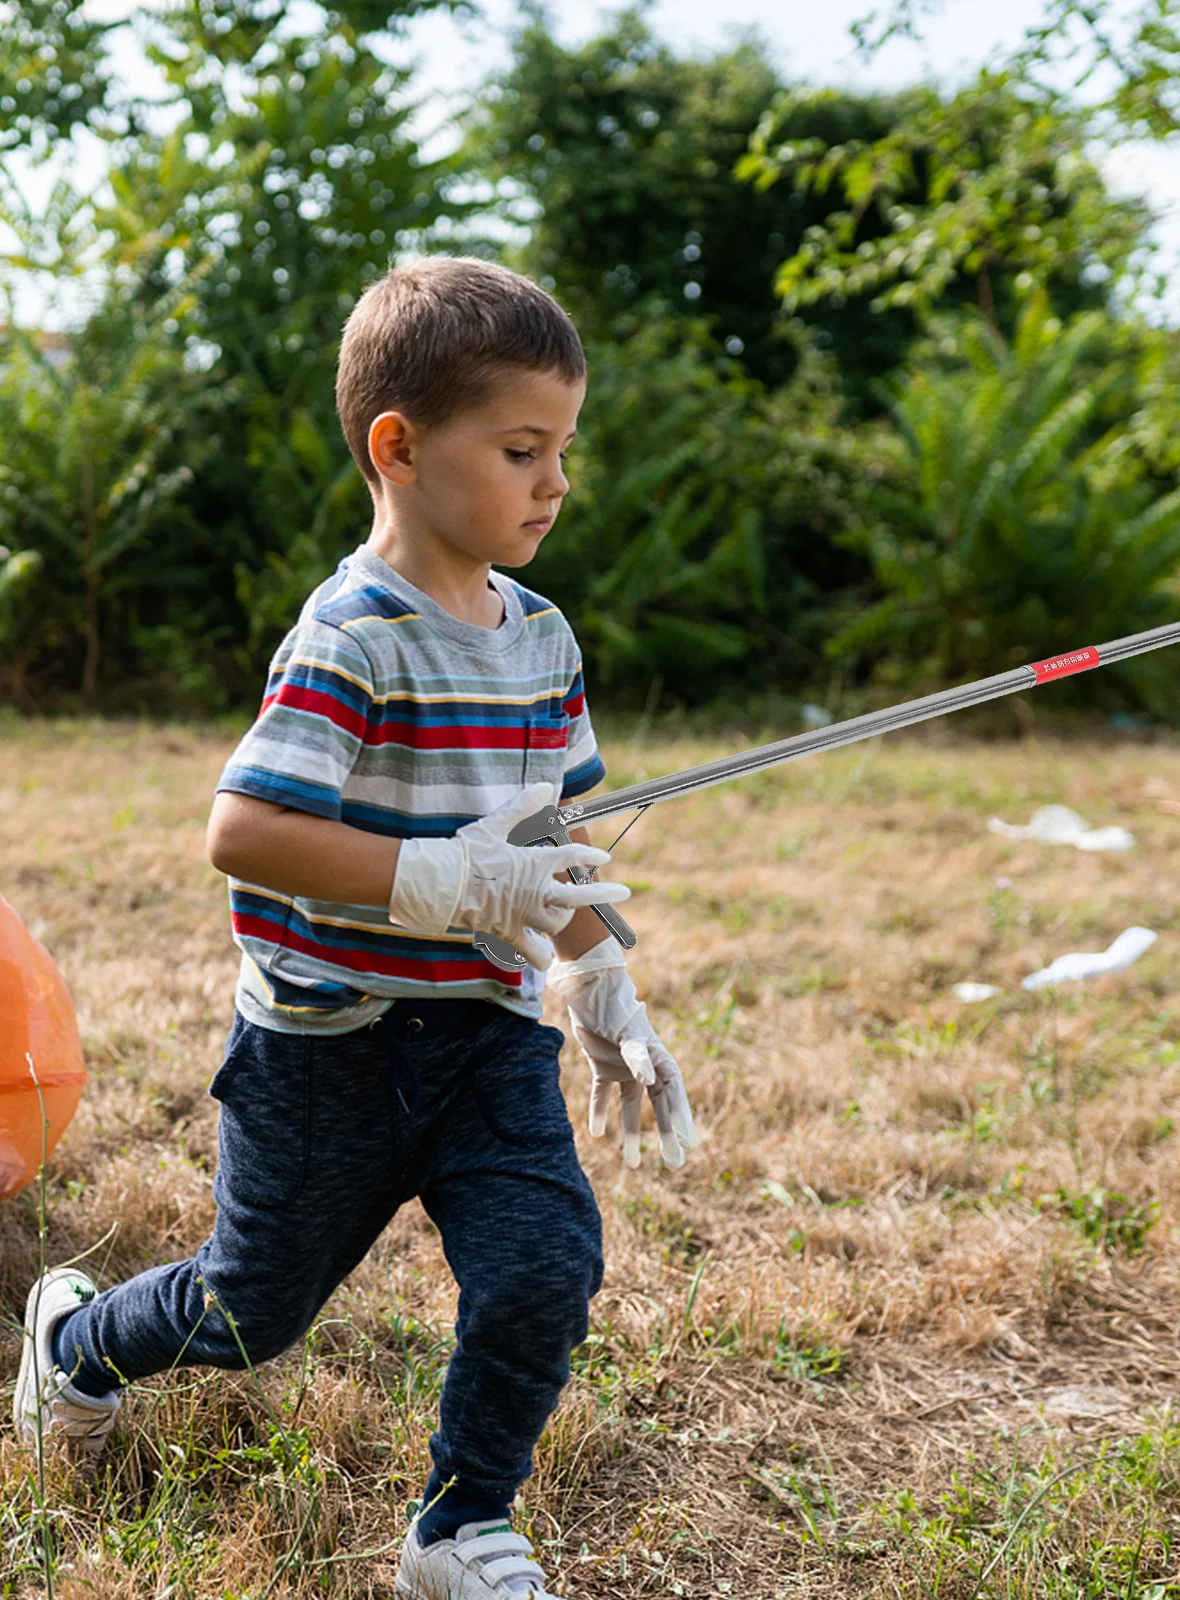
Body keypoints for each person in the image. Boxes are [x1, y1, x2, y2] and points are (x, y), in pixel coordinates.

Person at [12, 255, 697, 1600]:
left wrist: (608, 986)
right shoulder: (352, 635)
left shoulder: (545, 641)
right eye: (520, 449)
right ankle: (78, 1349)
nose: (555, 482)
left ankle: (460, 1528)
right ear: (399, 445)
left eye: (564, 448)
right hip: (327, 1051)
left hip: (486, 1044)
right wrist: (443, 882)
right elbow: (247, 833)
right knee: (247, 1311)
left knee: (544, 1270)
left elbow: (558, 848)